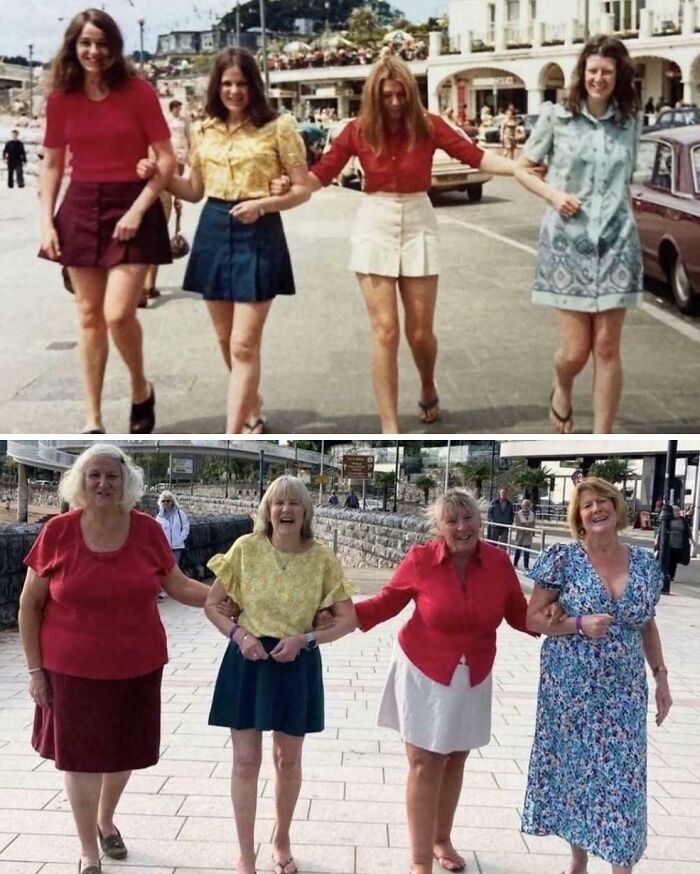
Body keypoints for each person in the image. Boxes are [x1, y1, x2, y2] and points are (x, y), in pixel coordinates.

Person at [295, 56, 525, 433]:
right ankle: (390, 425)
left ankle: (427, 382)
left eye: (402, 94)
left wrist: (517, 167)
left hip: (419, 218)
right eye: (387, 96)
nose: (396, 103)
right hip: (375, 220)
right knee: (385, 330)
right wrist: (286, 186)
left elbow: (474, 155)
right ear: (374, 95)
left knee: (419, 332)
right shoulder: (356, 130)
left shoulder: (429, 125)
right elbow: (322, 173)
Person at [17, 444, 211, 874]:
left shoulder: (146, 531)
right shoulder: (57, 532)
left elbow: (178, 586)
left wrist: (228, 598)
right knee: (81, 758)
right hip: (70, 670)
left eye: (112, 476)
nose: (103, 483)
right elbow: (29, 605)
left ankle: (106, 820)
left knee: (123, 753)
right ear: (81, 482)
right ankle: (88, 848)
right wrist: (35, 671)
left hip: (136, 666)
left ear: (127, 484)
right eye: (94, 476)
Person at [328, 489, 537, 874]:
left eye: (469, 518)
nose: (462, 527)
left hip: (473, 671)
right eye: (452, 520)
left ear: (481, 520)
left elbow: (520, 616)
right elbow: (386, 602)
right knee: (426, 762)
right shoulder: (421, 560)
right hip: (423, 669)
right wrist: (337, 616)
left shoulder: (498, 562)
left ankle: (442, 839)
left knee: (455, 757)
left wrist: (561, 620)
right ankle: (420, 859)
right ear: (438, 527)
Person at [139, 48, 311, 434]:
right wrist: (159, 175)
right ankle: (252, 403)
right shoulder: (203, 130)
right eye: (227, 83)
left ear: (254, 85)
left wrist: (264, 204)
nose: (234, 90)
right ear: (217, 87)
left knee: (243, 345)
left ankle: (234, 434)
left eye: (242, 83)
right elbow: (195, 190)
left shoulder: (278, 126)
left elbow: (302, 190)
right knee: (224, 338)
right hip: (214, 227)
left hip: (259, 230)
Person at [203, 475, 356, 874]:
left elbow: (348, 620)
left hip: (296, 662)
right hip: (248, 660)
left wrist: (307, 639)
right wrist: (239, 635)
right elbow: (213, 604)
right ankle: (244, 852)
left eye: (294, 504)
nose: (285, 510)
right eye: (277, 503)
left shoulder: (323, 558)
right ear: (267, 511)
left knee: (288, 759)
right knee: (245, 760)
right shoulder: (245, 549)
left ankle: (281, 838)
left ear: (306, 512)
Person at [522, 476, 672, 874]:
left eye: (603, 500)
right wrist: (577, 623)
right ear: (578, 517)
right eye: (587, 505)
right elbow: (533, 617)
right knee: (575, 773)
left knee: (623, 780)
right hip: (569, 688)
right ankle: (577, 861)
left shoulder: (644, 563)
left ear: (617, 507)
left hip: (623, 691)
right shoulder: (562, 559)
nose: (596, 509)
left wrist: (661, 677)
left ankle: (621, 864)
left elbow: (647, 623)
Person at [38, 9, 176, 435]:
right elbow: (52, 165)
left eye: (102, 43)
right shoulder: (62, 98)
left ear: (114, 48)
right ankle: (93, 419)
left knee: (118, 314)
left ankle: (140, 388)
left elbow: (167, 159)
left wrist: (138, 210)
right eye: (86, 43)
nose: (94, 52)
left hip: (132, 203)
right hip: (81, 204)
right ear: (73, 47)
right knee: (88, 316)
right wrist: (47, 222)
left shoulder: (138, 92)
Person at [514, 36, 643, 434]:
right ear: (581, 73)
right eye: (592, 71)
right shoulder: (557, 118)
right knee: (574, 353)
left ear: (618, 75)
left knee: (606, 348)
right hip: (568, 244)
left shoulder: (630, 123)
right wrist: (555, 195)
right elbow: (522, 168)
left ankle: (602, 438)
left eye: (606, 71)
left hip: (617, 242)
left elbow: (626, 181)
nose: (598, 78)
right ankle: (563, 385)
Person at [140, 100, 193, 306]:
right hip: (158, 193)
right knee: (155, 237)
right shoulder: (163, 140)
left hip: (148, 193)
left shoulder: (142, 137)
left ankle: (146, 285)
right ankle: (148, 285)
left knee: (147, 239)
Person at [156, 489, 190, 566]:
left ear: (172, 501)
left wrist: (180, 538)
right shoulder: (159, 516)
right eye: (163, 501)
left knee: (175, 567)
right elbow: (157, 530)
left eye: (168, 501)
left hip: (177, 546)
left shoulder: (179, 513)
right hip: (164, 546)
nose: (166, 503)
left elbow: (186, 527)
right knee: (165, 567)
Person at [513, 498, 536, 569]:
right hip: (520, 534)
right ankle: (515, 563)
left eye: (528, 505)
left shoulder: (532, 514)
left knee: (527, 550)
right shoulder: (518, 513)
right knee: (518, 549)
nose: (526, 507)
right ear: (522, 506)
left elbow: (533, 523)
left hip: (528, 535)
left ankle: (526, 565)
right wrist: (523, 529)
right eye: (525, 505)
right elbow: (517, 523)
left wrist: (530, 530)